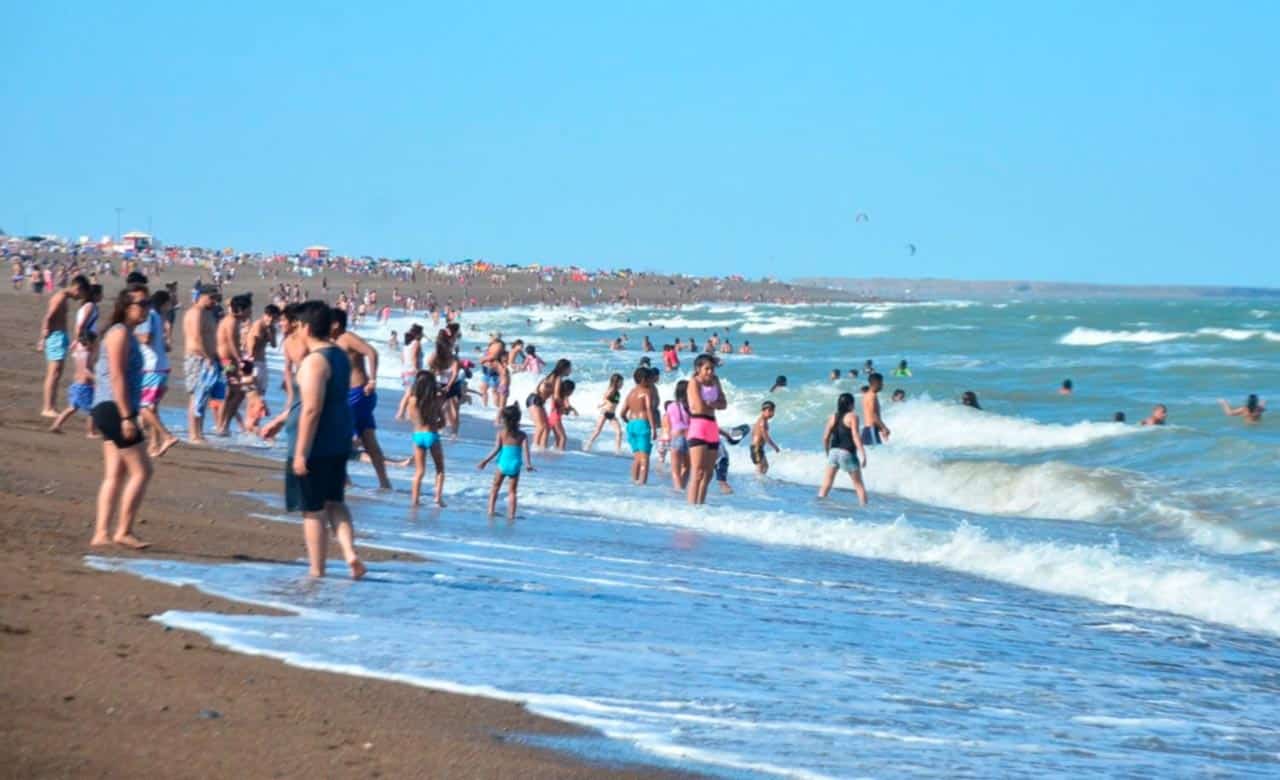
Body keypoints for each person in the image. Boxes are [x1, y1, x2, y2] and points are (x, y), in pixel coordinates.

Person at [284, 300, 365, 579]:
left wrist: (300, 453)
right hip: (339, 438)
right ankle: (349, 552)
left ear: (305, 327)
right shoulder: (341, 355)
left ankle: (317, 569)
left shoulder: (315, 362)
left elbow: (311, 409)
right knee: (335, 501)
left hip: (315, 445)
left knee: (312, 509)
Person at [91, 284, 154, 549]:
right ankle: (123, 531)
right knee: (143, 471)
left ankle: (101, 534)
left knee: (115, 474)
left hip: (109, 407)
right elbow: (116, 376)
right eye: (141, 303)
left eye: (147, 303)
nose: (146, 308)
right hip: (114, 408)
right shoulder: (119, 334)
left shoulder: (126, 333)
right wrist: (128, 416)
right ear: (126, 307)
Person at [331, 307, 392, 489]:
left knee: (336, 436)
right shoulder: (333, 341)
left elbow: (372, 352)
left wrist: (373, 380)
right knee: (368, 439)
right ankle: (384, 483)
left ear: (335, 324)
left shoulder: (347, 338)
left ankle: (345, 481)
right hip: (354, 395)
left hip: (358, 393)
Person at [134, 289, 178, 457]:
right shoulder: (158, 317)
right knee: (152, 408)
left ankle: (167, 436)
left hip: (151, 367)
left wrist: (131, 333)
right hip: (161, 367)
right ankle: (154, 444)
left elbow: (146, 338)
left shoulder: (150, 315)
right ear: (164, 303)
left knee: (143, 406)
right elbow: (161, 344)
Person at [38, 274, 90, 417]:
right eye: (82, 294)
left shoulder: (63, 297)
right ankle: (47, 407)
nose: (80, 298)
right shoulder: (60, 297)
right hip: (55, 337)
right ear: (77, 288)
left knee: (57, 373)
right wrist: (43, 338)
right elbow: (48, 317)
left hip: (59, 337)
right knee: (53, 373)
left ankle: (51, 406)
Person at [478, 404, 534, 521]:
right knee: (512, 491)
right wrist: (528, 464)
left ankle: (490, 510)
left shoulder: (501, 433)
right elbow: (526, 451)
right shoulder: (522, 435)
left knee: (495, 487)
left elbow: (496, 449)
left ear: (504, 419)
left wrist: (485, 461)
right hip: (515, 465)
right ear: (518, 419)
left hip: (502, 464)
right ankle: (511, 515)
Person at [183, 287, 225, 443]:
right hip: (198, 358)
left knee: (204, 396)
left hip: (208, 358)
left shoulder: (208, 312)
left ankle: (199, 432)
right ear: (203, 296)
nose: (214, 302)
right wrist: (207, 357)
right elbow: (196, 339)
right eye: (212, 298)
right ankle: (193, 434)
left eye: (216, 299)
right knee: (196, 395)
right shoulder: (196, 313)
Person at [686, 354, 726, 505]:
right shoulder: (694, 382)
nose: (710, 372)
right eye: (707, 369)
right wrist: (713, 404)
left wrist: (711, 403)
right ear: (698, 369)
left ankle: (700, 506)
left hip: (712, 427)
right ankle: (691, 507)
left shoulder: (716, 381)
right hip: (698, 426)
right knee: (697, 472)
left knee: (708, 474)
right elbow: (699, 406)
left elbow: (724, 403)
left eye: (712, 368)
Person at [818, 393, 869, 504]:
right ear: (850, 405)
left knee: (826, 484)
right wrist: (863, 454)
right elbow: (855, 435)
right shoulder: (853, 417)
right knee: (859, 485)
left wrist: (828, 452)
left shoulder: (833, 417)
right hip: (847, 452)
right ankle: (865, 509)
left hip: (833, 452)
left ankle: (820, 504)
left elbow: (825, 437)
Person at [214, 294, 252, 435]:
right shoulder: (231, 321)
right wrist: (240, 360)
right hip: (227, 361)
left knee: (233, 392)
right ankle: (223, 425)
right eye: (249, 309)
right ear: (241, 309)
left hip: (228, 360)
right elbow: (231, 343)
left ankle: (223, 425)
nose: (250, 312)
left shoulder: (233, 320)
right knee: (237, 391)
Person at [408, 371, 447, 507]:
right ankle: (438, 498)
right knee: (440, 469)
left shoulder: (412, 401)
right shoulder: (436, 400)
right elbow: (443, 421)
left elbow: (412, 419)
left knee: (419, 471)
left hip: (418, 436)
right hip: (432, 435)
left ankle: (415, 500)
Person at [48, 331, 97, 436]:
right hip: (84, 387)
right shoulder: (87, 354)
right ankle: (90, 432)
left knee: (72, 407)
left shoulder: (78, 351)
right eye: (95, 343)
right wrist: (96, 379)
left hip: (76, 385)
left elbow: (75, 355)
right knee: (93, 410)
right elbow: (86, 371)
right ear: (89, 343)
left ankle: (56, 425)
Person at [621, 368, 657, 484]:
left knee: (637, 457)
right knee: (645, 458)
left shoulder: (631, 392)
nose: (652, 381)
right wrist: (653, 428)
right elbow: (649, 409)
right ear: (644, 380)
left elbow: (622, 413)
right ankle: (642, 483)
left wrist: (630, 423)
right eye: (650, 379)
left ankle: (634, 481)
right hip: (642, 424)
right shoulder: (646, 391)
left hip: (631, 425)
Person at [529, 359, 571, 448]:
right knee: (541, 427)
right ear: (565, 368)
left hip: (534, 399)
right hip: (535, 400)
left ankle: (542, 447)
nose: (571, 370)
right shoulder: (558, 378)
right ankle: (534, 448)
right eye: (569, 368)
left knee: (546, 427)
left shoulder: (552, 375)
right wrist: (563, 408)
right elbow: (556, 396)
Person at [583, 373, 624, 453]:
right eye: (621, 382)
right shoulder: (611, 390)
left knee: (619, 432)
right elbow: (605, 397)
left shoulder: (618, 393)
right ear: (616, 382)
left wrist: (603, 403)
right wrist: (605, 404)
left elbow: (610, 401)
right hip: (605, 412)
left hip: (612, 414)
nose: (622, 384)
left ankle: (618, 450)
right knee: (597, 431)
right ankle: (587, 446)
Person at [665, 380, 691, 492]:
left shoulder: (671, 406)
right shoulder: (692, 406)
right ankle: (682, 488)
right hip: (689, 437)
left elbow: (668, 426)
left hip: (676, 438)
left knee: (675, 472)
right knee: (687, 467)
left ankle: (678, 490)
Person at [395, 325, 424, 420]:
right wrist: (417, 370)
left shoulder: (407, 344)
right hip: (412, 371)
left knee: (410, 393)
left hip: (405, 371)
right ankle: (400, 413)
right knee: (409, 393)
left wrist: (406, 368)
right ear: (418, 334)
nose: (423, 335)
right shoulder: (416, 343)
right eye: (422, 333)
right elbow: (414, 357)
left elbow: (402, 358)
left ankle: (407, 414)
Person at [714, 424, 750, 494]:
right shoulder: (705, 418)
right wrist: (728, 436)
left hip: (705, 451)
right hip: (719, 454)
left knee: (701, 478)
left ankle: (695, 503)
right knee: (722, 482)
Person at [750, 401, 780, 475]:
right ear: (764, 411)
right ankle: (756, 484)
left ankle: (760, 482)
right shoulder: (762, 422)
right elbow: (765, 436)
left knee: (766, 466)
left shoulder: (761, 420)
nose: (772, 414)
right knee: (759, 469)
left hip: (758, 448)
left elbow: (753, 432)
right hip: (756, 448)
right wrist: (774, 446)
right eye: (770, 411)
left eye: (773, 411)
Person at [860, 372, 890, 445]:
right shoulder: (872, 396)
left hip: (868, 429)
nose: (882, 385)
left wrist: (881, 429)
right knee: (878, 453)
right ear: (877, 383)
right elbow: (874, 415)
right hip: (871, 430)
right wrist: (884, 428)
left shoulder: (866, 395)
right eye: (881, 382)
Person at [548, 378, 577, 450]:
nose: (572, 393)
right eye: (572, 391)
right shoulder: (559, 398)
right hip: (556, 419)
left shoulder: (559, 397)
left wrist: (571, 409)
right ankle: (560, 453)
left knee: (558, 438)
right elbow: (562, 410)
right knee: (563, 438)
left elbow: (564, 409)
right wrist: (569, 410)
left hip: (551, 418)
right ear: (568, 390)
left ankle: (555, 452)